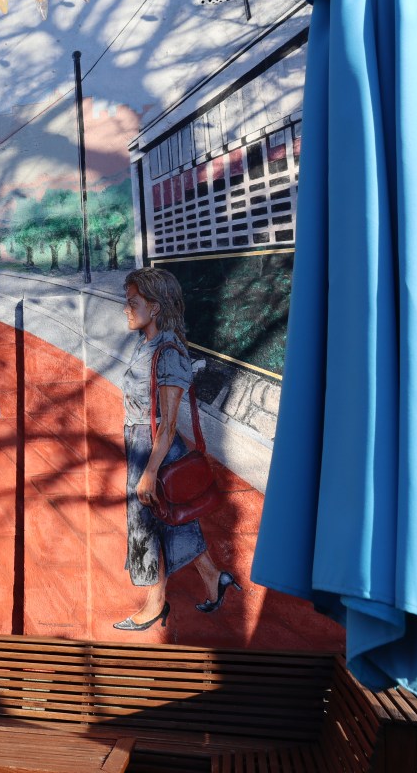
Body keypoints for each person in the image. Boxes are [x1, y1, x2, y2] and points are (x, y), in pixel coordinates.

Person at [114, 267, 239, 631]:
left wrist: (150, 471)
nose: (126, 309)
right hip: (142, 443)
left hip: (155, 448)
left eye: (133, 302)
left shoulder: (168, 352)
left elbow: (168, 423)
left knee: (146, 523)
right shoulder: (147, 344)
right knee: (176, 519)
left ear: (155, 308)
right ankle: (214, 578)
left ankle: (154, 604)